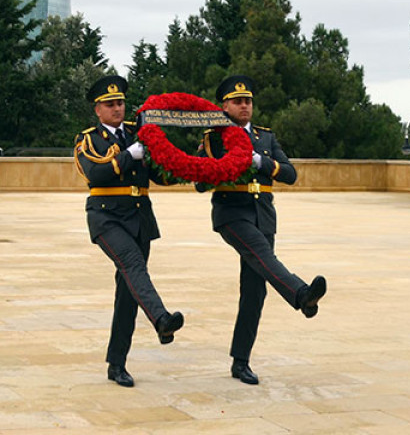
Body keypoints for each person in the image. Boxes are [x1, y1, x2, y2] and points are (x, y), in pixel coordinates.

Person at [199, 75, 327, 385]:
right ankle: (300, 294)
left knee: (255, 291)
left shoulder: (265, 138)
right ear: (224, 106)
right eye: (238, 101)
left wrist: (260, 161)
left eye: (248, 101)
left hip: (263, 215)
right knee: (263, 256)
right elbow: (200, 183)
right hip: (232, 213)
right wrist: (220, 164)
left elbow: (291, 174)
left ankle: (240, 361)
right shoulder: (213, 138)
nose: (245, 106)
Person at [74, 74, 184, 388]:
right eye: (110, 105)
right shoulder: (89, 139)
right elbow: (95, 172)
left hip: (140, 218)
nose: (117, 109)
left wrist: (190, 169)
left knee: (128, 292)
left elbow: (160, 173)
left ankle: (117, 364)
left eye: (120, 102)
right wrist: (128, 155)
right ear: (98, 110)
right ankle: (162, 319)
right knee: (133, 265)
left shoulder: (141, 134)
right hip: (107, 218)